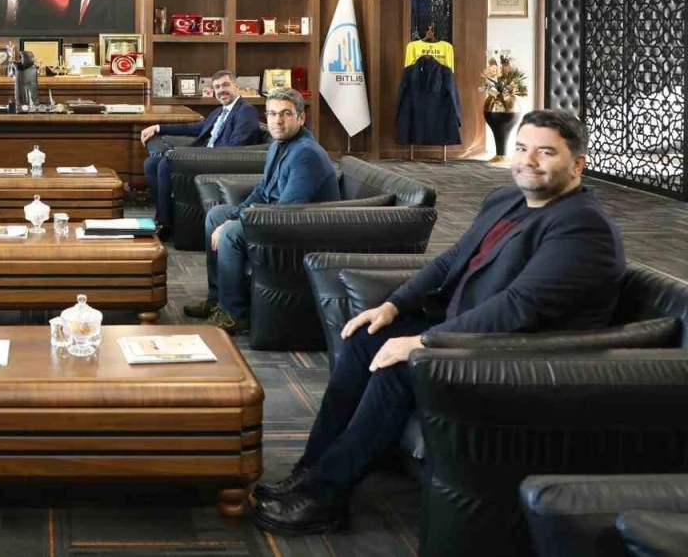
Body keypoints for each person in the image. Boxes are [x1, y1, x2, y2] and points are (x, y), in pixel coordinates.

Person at [253, 109, 625, 537]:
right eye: (522, 148)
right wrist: (393, 306)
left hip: (519, 359)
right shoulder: (507, 199)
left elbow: (518, 307)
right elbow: (452, 259)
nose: (528, 160)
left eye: (546, 152)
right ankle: (311, 468)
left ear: (577, 165)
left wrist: (426, 342)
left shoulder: (583, 227)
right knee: (365, 338)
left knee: (399, 366)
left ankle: (325, 497)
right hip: (466, 334)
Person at [189, 87, 339, 335]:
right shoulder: (278, 144)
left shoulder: (306, 153)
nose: (278, 121)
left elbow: (287, 210)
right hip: (276, 217)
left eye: (286, 114)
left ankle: (233, 314)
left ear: (301, 118)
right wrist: (237, 214)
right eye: (272, 114)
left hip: (303, 230)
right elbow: (263, 191)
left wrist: (237, 222)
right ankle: (218, 299)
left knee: (230, 232)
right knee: (217, 215)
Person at [140, 70, 263, 235]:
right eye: (217, 87)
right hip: (204, 158)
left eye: (225, 85)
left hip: (219, 162)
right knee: (151, 164)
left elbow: (238, 146)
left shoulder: (246, 111)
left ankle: (164, 223)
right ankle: (166, 214)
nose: (221, 90)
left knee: (166, 164)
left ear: (236, 87)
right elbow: (194, 128)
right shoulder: (220, 111)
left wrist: (204, 156)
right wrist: (158, 128)